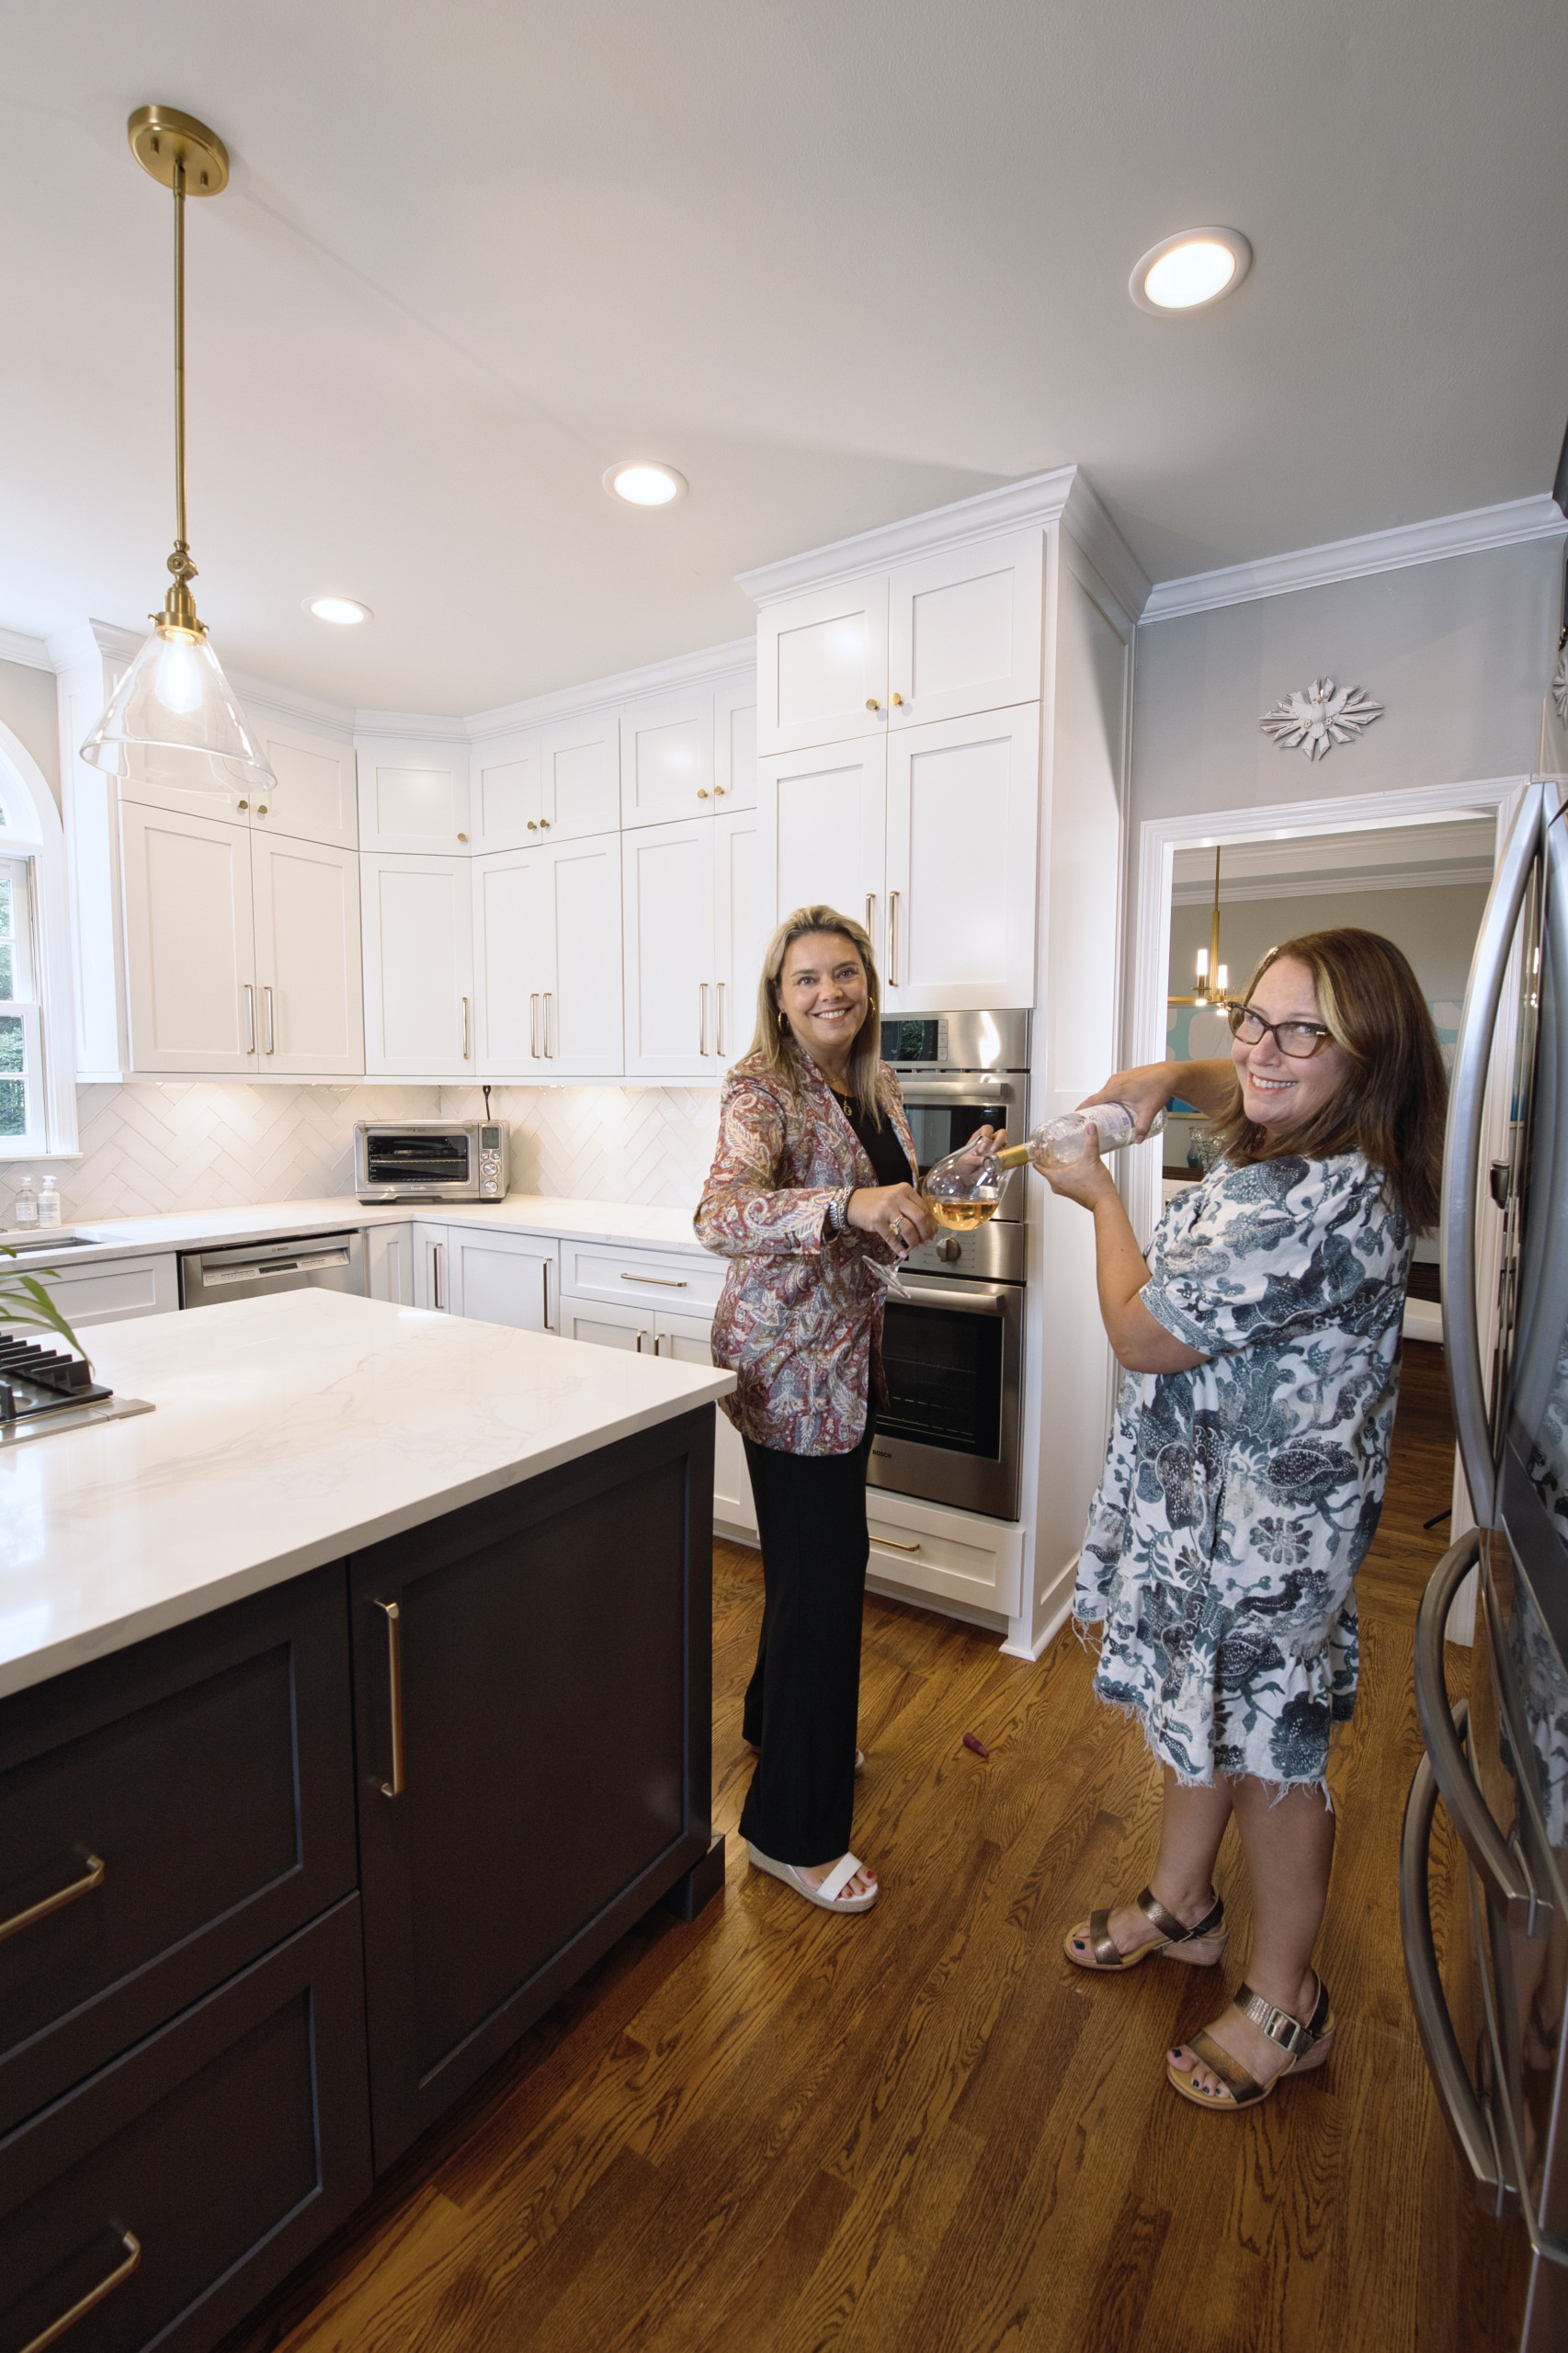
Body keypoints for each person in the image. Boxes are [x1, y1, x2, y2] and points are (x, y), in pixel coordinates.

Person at [1053, 929, 1446, 2111]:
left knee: (1271, 1754)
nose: (1259, 1053)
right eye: (1249, 1020)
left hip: (1270, 1539)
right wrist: (1177, 1077)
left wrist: (1094, 1195)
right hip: (1203, 1513)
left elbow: (1139, 1331)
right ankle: (1183, 1905)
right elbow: (1259, 1075)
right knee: (1199, 1704)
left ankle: (1288, 1997)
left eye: (1299, 1031)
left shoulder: (1329, 1200)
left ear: (1364, 1057)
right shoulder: (1293, 1135)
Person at [696, 904, 993, 1915]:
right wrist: (844, 1206)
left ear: (868, 985)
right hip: (786, 1368)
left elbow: (889, 1206)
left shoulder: (875, 1084)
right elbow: (719, 1214)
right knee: (825, 1578)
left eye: (846, 974)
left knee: (806, 1564)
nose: (830, 991)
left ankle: (775, 1726)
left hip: (845, 1360)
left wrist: (952, 1180)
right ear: (778, 999)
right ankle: (791, 1831)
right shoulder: (761, 1088)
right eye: (806, 978)